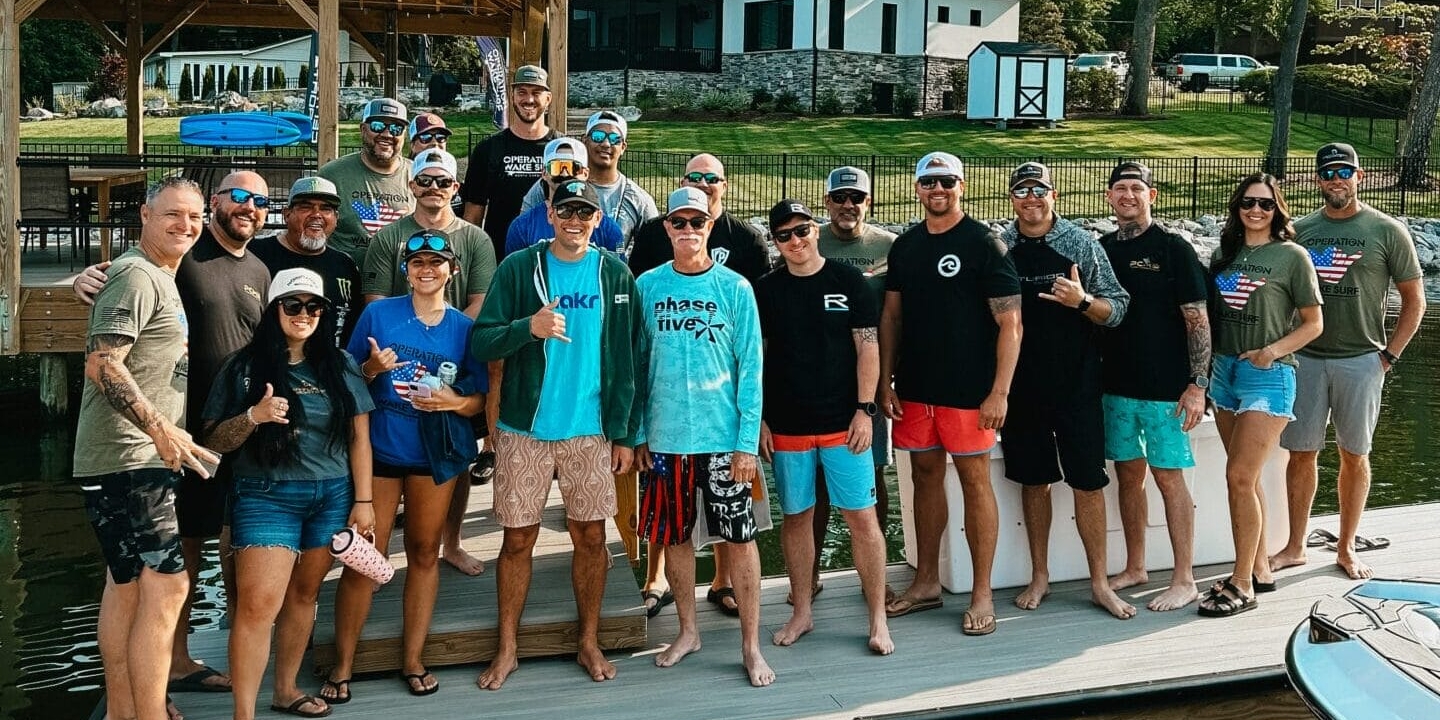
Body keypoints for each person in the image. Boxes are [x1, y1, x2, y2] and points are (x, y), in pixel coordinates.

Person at [75, 169, 273, 695]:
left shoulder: (250, 265)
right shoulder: (159, 265)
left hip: (220, 431)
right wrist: (83, 279)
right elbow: (106, 350)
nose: (249, 206)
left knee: (137, 585)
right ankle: (155, 691)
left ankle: (134, 703)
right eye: (239, 196)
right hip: (148, 448)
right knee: (164, 583)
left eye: (260, 200)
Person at [469, 180, 644, 689]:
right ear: (549, 213)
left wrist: (625, 434)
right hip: (525, 428)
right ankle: (508, 647)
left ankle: (587, 641)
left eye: (584, 212)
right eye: (566, 209)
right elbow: (482, 342)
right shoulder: (520, 268)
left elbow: (630, 359)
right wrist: (530, 327)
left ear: (597, 218)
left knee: (591, 537)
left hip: (590, 432)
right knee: (517, 539)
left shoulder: (615, 274)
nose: (574, 220)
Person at [74, 177, 219, 720]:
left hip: (124, 460)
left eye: (194, 216)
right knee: (169, 586)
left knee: (128, 585)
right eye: (172, 214)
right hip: (132, 459)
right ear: (144, 215)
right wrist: (161, 429)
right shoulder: (138, 276)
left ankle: (123, 710)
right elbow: (102, 363)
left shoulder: (153, 274)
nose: (185, 225)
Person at [322, 232, 488, 701]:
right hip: (379, 451)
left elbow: (478, 401)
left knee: (423, 551)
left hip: (432, 457)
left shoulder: (463, 328)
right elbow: (346, 375)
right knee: (364, 557)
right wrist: (373, 369)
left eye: (437, 261)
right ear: (405, 270)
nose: (427, 269)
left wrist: (454, 401)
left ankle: (413, 658)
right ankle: (343, 664)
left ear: (452, 271)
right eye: (417, 262)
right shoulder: (379, 314)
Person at [201, 269, 374, 720]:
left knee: (304, 595)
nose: (304, 314)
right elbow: (214, 440)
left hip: (332, 494)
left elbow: (359, 437)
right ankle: (244, 713)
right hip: (265, 495)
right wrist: (253, 416)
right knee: (258, 605)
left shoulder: (340, 364)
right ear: (273, 310)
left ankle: (285, 688)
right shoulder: (243, 367)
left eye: (313, 306)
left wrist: (365, 501)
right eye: (292, 305)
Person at [635, 186, 774, 687]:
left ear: (709, 226)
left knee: (739, 540)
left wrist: (744, 444)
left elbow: (751, 369)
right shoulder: (647, 286)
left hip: (722, 442)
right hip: (667, 439)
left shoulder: (735, 288)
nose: (688, 230)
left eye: (698, 222)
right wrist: (638, 433)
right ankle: (688, 631)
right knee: (674, 538)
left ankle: (751, 645)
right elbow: (638, 364)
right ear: (667, 227)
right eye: (679, 222)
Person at [879, 152, 1020, 637]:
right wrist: (884, 380)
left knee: (974, 480)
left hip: (969, 392)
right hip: (917, 389)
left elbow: (1011, 322)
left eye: (946, 181)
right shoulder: (906, 247)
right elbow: (892, 318)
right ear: (917, 188)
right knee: (923, 477)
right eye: (928, 182)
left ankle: (982, 593)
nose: (937, 189)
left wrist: (999, 392)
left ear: (961, 185)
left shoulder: (986, 243)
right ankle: (926, 582)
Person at [1271, 143, 1426, 580]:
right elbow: (1279, 297)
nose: (1336, 179)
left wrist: (1389, 356)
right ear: (1318, 180)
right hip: (1305, 361)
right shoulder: (1301, 231)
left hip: (1362, 360)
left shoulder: (1386, 230)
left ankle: (1346, 547)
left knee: (1354, 454)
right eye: (1328, 173)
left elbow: (1415, 301)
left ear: (1359, 176)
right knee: (1300, 454)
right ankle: (1295, 546)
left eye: (1344, 171)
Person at [997, 162, 1135, 620]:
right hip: (1022, 388)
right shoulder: (1002, 247)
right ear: (1011, 198)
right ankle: (1040, 576)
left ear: (1053, 195)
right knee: (1034, 483)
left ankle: (1099, 582)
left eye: (1040, 190)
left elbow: (1117, 309)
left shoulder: (1078, 243)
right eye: (1022, 191)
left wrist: (1081, 302)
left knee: (1087, 482)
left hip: (1077, 384)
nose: (1031, 198)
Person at [756, 199, 893, 655]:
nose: (795, 241)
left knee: (862, 519)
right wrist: (758, 419)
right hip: (790, 426)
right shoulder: (767, 290)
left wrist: (865, 410)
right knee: (796, 518)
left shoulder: (849, 280)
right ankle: (801, 611)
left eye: (802, 230)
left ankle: (877, 618)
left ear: (816, 229)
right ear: (775, 242)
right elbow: (755, 358)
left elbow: (867, 348)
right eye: (784, 235)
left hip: (843, 424)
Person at [361, 147, 496, 577]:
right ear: (412, 184)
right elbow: (377, 302)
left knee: (454, 453)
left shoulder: (474, 238)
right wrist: (409, 332)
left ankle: (451, 543)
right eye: (426, 180)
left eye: (443, 181)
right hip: (399, 359)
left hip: (453, 357)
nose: (434, 188)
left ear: (455, 187)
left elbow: (481, 301)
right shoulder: (389, 237)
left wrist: (450, 336)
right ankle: (377, 561)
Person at [1200, 173, 1323, 618]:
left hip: (1268, 376)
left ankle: (1240, 584)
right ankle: (1260, 571)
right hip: (1224, 373)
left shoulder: (1292, 257)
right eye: (1248, 202)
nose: (1255, 210)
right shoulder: (1223, 255)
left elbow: (1313, 323)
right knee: (1246, 479)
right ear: (1237, 207)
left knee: (1237, 476)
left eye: (1265, 205)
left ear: (1278, 210)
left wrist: (1272, 351)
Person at [1098, 162, 1211, 612]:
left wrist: (1197, 384)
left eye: (1136, 188)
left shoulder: (1173, 249)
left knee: (1168, 478)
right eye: (1120, 188)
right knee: (1128, 476)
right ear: (1109, 197)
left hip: (1167, 389)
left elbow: (1197, 320)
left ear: (1153, 195)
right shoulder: (1101, 248)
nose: (1128, 195)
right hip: (1116, 386)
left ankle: (1184, 578)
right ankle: (1136, 565)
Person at [809, 165, 896, 603]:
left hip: (868, 382)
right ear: (827, 201)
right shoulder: (808, 240)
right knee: (817, 482)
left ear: (869, 202)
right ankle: (809, 575)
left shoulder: (887, 247)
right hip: (814, 380)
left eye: (857, 198)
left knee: (872, 475)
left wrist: (885, 387)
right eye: (840, 198)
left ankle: (874, 576)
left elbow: (897, 318)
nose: (848, 206)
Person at [461, 64, 561, 261]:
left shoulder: (562, 150)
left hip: (554, 262)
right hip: (500, 261)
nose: (529, 99)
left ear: (548, 99)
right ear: (512, 96)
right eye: (522, 92)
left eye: (536, 93)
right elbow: (472, 217)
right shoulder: (488, 150)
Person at [249, 176, 362, 346]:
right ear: (287, 214)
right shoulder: (255, 255)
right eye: (306, 207)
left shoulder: (344, 265)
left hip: (328, 368)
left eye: (326, 208)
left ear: (336, 218)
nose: (316, 215)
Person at [520, 109, 659, 240]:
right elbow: (523, 229)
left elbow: (653, 249)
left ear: (623, 147)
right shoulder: (551, 184)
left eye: (614, 139)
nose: (606, 144)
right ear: (585, 140)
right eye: (597, 137)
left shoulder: (638, 199)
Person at [627, 153, 771, 280]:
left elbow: (760, 300)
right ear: (682, 183)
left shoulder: (747, 238)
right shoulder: (652, 233)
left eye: (712, 179)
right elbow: (636, 287)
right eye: (695, 177)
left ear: (724, 186)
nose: (702, 184)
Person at [319, 97, 415, 266]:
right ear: (363, 129)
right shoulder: (332, 174)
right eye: (377, 126)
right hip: (345, 280)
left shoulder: (419, 176)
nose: (386, 134)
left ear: (404, 135)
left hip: (401, 282)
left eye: (396, 128)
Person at [505, 137, 625, 254]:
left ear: (585, 173)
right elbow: (515, 272)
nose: (564, 173)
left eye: (572, 167)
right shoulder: (522, 227)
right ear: (544, 173)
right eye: (556, 167)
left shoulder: (609, 230)